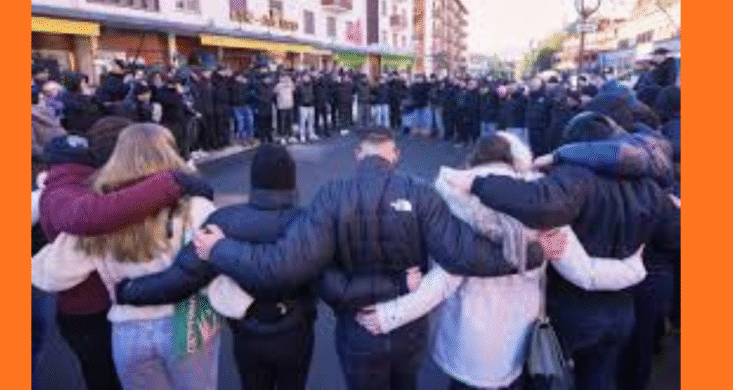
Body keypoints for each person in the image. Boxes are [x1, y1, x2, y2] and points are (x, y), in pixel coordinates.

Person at [191, 126, 546, 390]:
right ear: (395, 154)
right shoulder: (422, 193)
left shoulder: (332, 196)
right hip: (408, 332)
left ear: (358, 153)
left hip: (357, 329)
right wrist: (533, 253)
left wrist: (219, 249)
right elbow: (463, 254)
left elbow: (285, 264)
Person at [355, 132, 647, 390]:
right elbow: (585, 273)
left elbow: (442, 283)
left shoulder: (456, 202)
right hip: (518, 335)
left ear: (474, 159)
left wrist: (390, 315)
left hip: (469, 335)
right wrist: (634, 267)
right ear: (517, 158)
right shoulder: (543, 204)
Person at [449, 112, 680, 390]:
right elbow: (672, 237)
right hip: (621, 310)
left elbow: (541, 211)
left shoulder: (573, 180)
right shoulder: (650, 189)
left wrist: (477, 183)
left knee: (543, 375)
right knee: (597, 380)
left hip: (571, 309)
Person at [33, 123, 247, 390]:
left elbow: (52, 274)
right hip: (190, 317)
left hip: (130, 325)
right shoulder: (195, 206)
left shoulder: (105, 212)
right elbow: (218, 263)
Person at [116, 144, 319, 390]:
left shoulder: (224, 220)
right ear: (292, 180)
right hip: (296, 331)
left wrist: (128, 290)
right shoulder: (312, 222)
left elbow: (183, 277)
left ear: (253, 180)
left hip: (247, 332)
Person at [275, 72, 296, 144]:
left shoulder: (290, 84)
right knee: (283, 123)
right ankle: (283, 137)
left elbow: (294, 90)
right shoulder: (279, 85)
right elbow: (275, 92)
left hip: (288, 105)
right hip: (283, 106)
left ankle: (290, 136)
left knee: (289, 122)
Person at [296, 73, 317, 143]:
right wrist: (299, 102)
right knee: (302, 122)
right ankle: (302, 135)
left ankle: (311, 134)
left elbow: (315, 93)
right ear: (302, 78)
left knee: (311, 121)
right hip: (303, 105)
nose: (306, 78)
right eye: (305, 77)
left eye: (307, 77)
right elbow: (297, 95)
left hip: (311, 105)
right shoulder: (299, 86)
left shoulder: (312, 85)